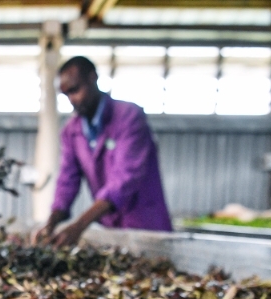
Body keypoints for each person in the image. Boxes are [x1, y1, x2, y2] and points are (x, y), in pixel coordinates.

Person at [35, 56, 172, 247]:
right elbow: (67, 181)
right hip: (111, 228)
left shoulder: (128, 117)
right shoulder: (71, 131)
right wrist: (51, 223)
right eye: (66, 94)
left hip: (145, 226)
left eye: (75, 90)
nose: (72, 99)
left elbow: (124, 180)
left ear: (93, 78)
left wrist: (79, 226)